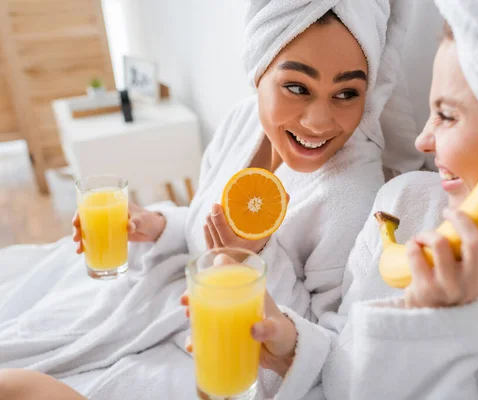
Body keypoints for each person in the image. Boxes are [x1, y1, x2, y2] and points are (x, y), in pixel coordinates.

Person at [0, 1, 407, 398]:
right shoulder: (243, 121)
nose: (318, 121)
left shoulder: (354, 194)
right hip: (166, 299)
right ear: (260, 68)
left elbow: (322, 347)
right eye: (297, 87)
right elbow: (202, 221)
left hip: (223, 358)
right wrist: (156, 226)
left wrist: (249, 261)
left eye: (347, 93)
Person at [237, 1, 478, 399]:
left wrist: (435, 326)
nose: (422, 142)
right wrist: (296, 350)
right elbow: (343, 362)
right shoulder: (404, 205)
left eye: (446, 115)